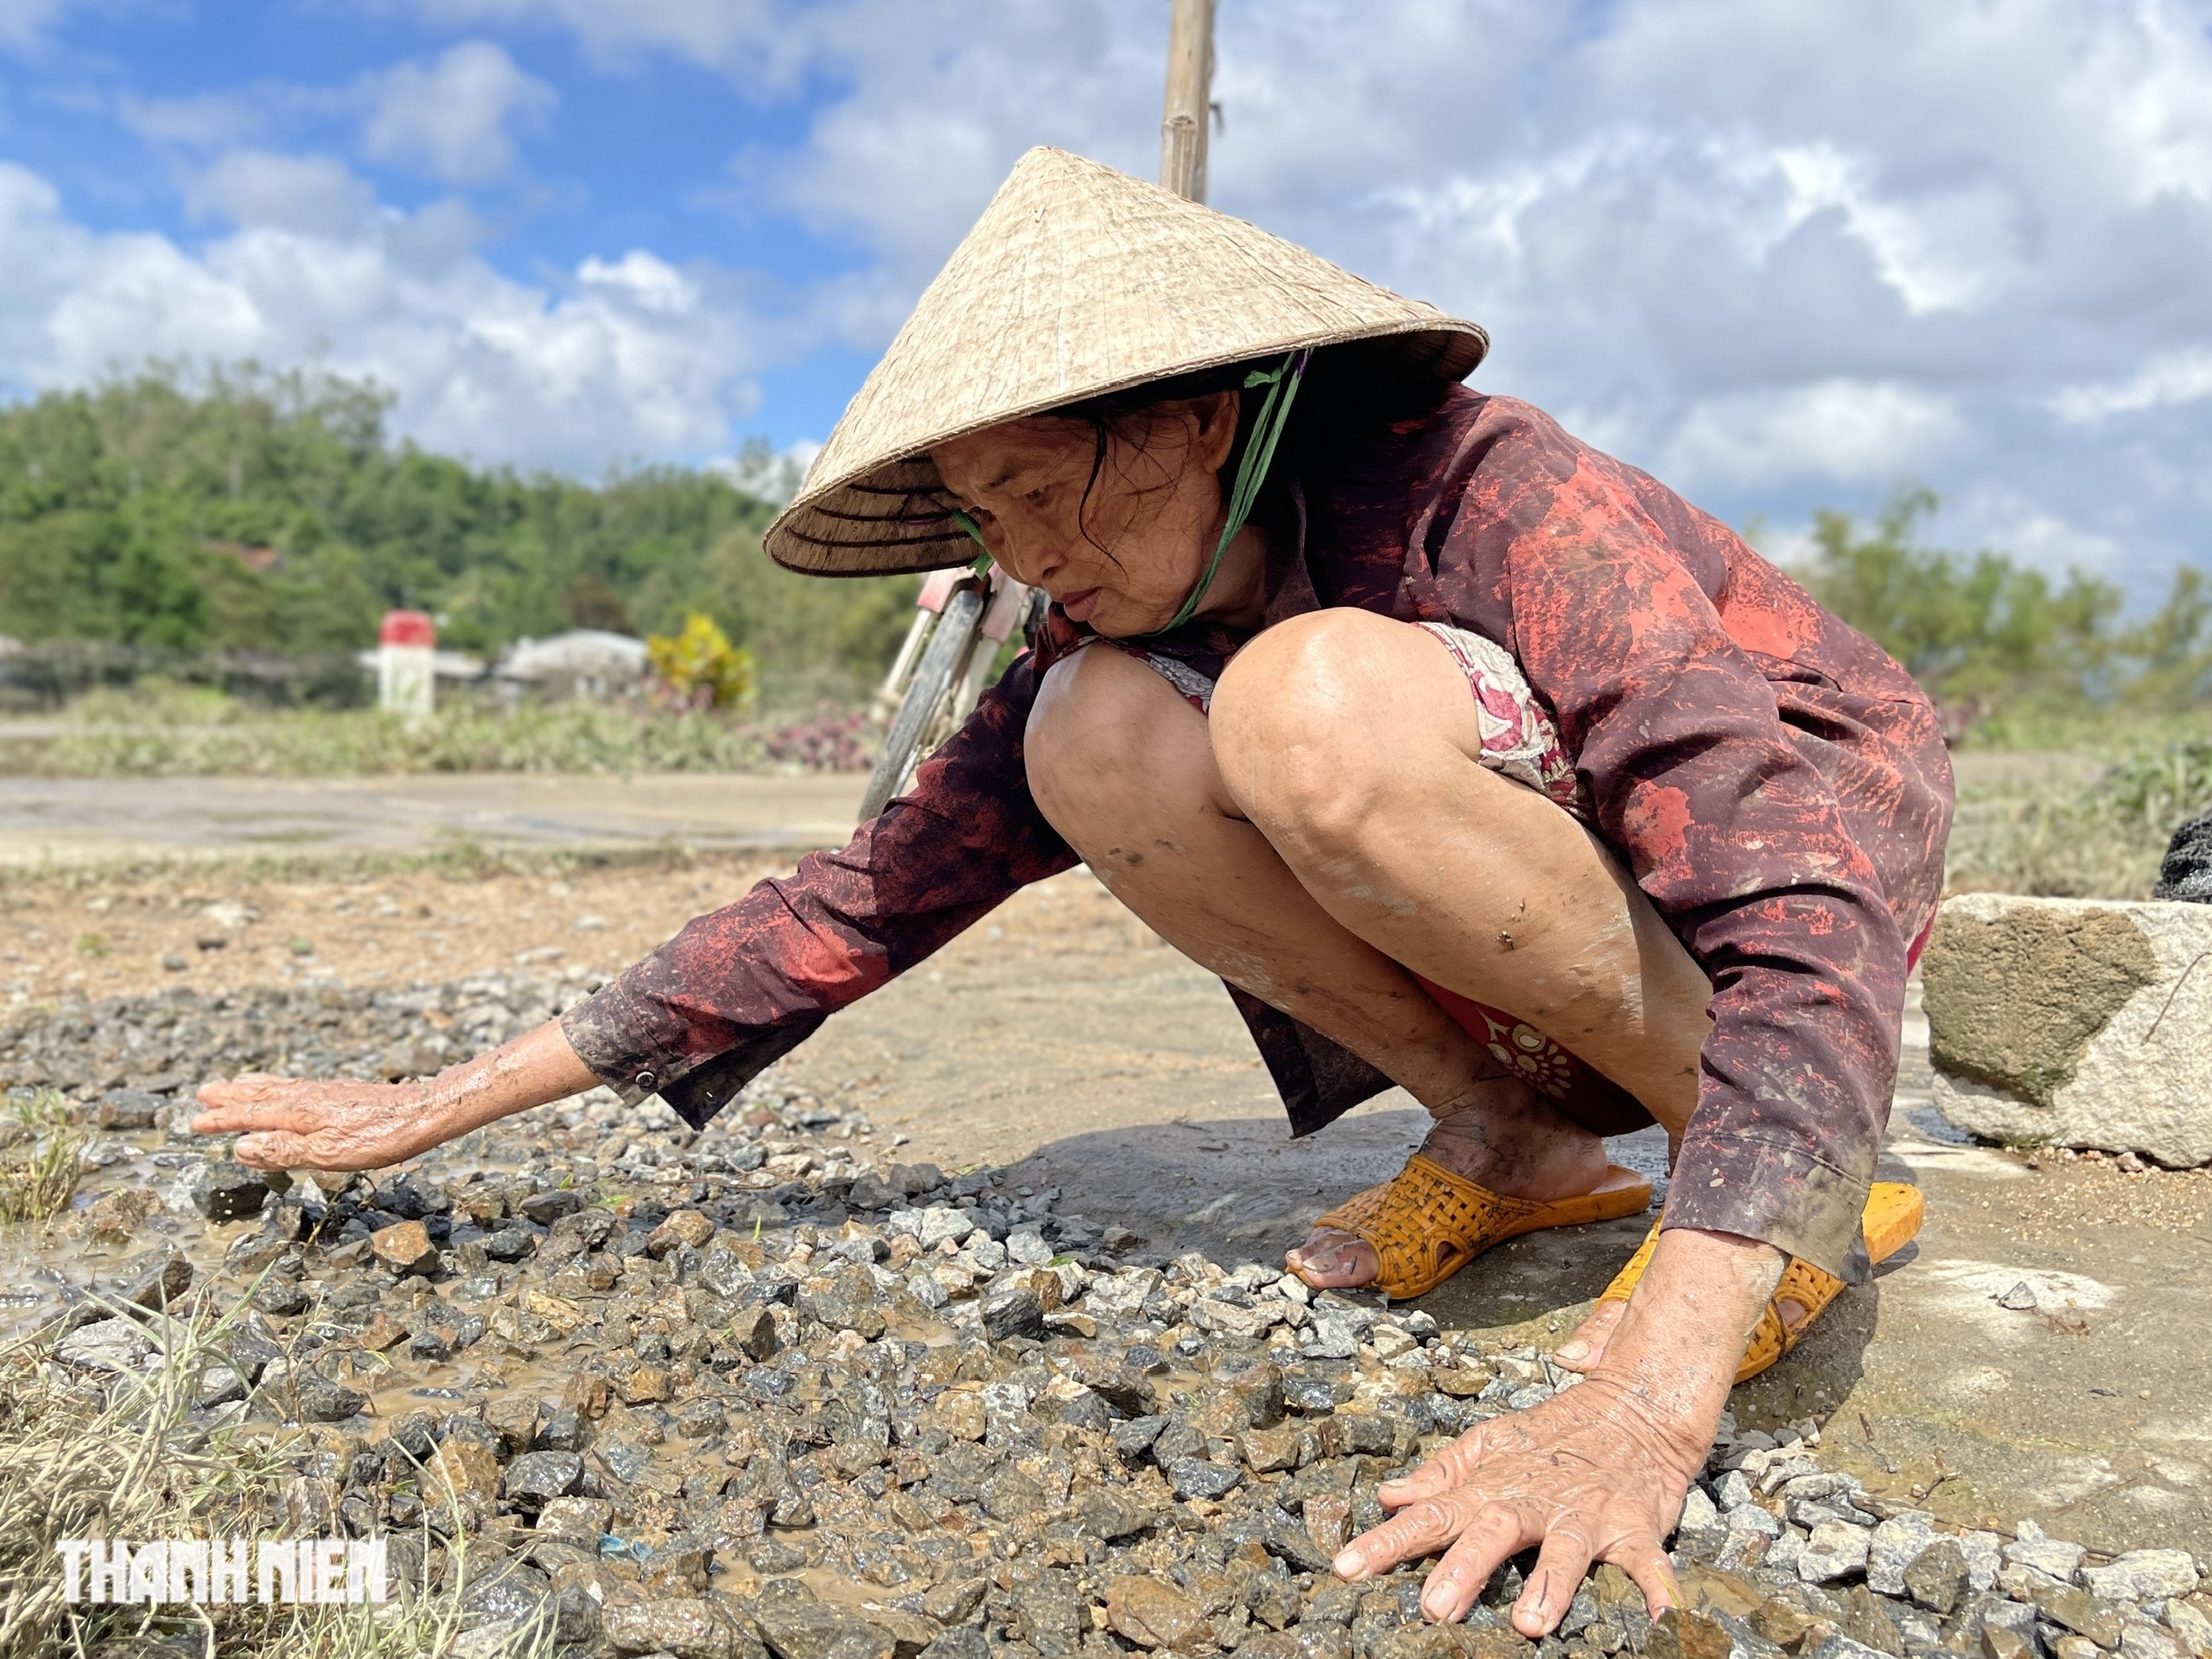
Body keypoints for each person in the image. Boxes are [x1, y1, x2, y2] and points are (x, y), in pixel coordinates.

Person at [193, 149, 1952, 1633]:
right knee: (1083, 735)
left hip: (1782, 866)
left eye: (1045, 493)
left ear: (1195, 425)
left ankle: (1745, 1177)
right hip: (1533, 904)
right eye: (987, 518)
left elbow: (1778, 857)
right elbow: (868, 894)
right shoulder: (1098, 614)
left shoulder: (1490, 488)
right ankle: (1505, 1137)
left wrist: (1646, 1397)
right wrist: (457, 1099)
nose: (1025, 556)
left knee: (1307, 707)